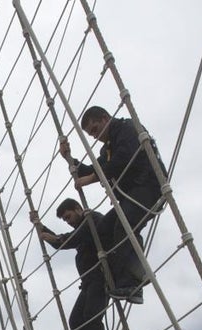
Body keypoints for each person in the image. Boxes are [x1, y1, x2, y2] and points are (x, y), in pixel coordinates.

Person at [59, 105, 166, 302]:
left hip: (147, 188)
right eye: (91, 134)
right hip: (129, 196)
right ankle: (127, 275)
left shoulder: (127, 129)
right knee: (104, 229)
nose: (95, 136)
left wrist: (90, 179)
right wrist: (68, 158)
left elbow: (122, 160)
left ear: (106, 118)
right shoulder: (107, 148)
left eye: (95, 129)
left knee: (123, 228)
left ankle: (135, 279)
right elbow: (95, 168)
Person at [31, 201, 120, 330]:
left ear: (78, 209)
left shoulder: (92, 220)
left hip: (101, 276)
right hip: (89, 281)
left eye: (69, 217)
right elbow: (64, 242)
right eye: (65, 220)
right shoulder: (82, 227)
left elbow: (71, 240)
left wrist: (57, 239)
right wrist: (39, 225)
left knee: (91, 317)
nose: (68, 221)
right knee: (76, 322)